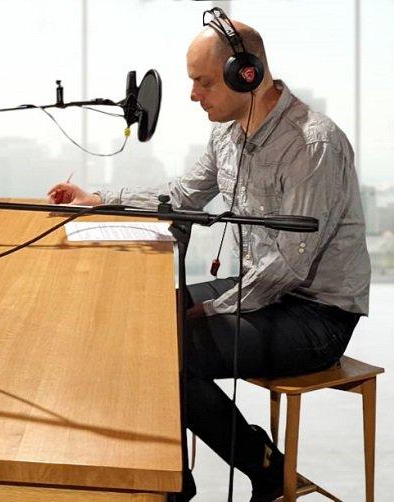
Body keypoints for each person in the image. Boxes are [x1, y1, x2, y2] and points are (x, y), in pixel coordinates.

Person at [47, 17, 370, 502]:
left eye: (204, 82)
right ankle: (174, 481)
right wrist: (98, 199)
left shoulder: (312, 144)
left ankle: (265, 471)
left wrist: (212, 309)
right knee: (139, 325)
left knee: (174, 348)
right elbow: (181, 195)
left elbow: (288, 265)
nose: (194, 95)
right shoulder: (227, 136)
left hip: (317, 315)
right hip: (262, 292)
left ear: (246, 73)